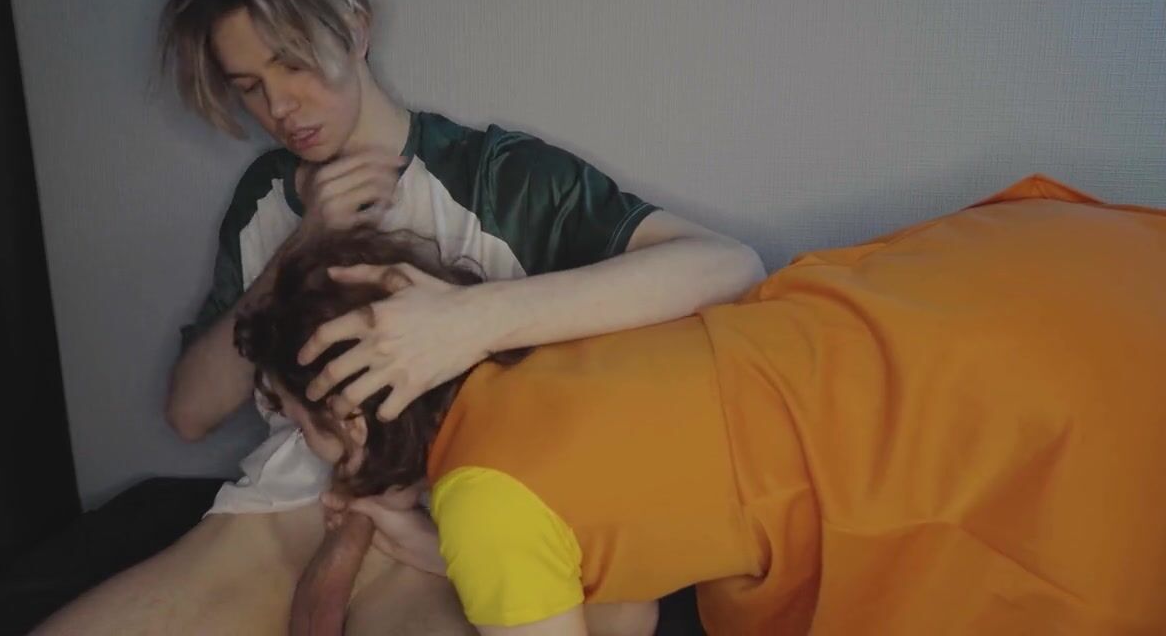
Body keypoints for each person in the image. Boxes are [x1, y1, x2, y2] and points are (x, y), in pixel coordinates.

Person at [33, 0, 761, 634]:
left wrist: (472, 320)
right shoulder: (266, 198)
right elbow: (190, 414)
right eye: (249, 86)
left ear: (355, 29)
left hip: (446, 525)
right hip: (282, 516)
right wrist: (299, 244)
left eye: (293, 64)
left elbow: (727, 266)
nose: (278, 108)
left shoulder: (495, 179)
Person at [240, 176, 1166, 635]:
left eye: (293, 417)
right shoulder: (559, 344)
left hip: (1003, 418)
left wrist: (471, 555)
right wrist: (451, 547)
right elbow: (621, 580)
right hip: (1015, 285)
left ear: (349, 420)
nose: (299, 442)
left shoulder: (487, 503)